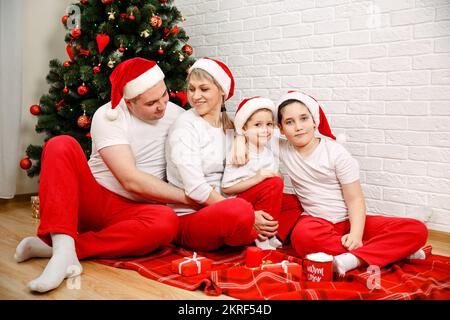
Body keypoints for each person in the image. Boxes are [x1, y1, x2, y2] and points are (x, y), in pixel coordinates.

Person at [14, 58, 194, 293]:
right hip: (96, 200)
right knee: (60, 144)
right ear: (129, 103)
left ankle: (63, 249)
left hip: (134, 212)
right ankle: (62, 252)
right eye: (151, 103)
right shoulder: (107, 116)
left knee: (166, 221)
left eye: (164, 95)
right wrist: (188, 197)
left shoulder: (177, 115)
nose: (162, 105)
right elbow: (129, 179)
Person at [276, 90, 429, 276]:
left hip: (348, 222)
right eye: (289, 122)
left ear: (314, 121)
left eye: (303, 118)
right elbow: (247, 134)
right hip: (316, 222)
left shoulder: (336, 153)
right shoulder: (283, 148)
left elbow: (355, 199)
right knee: (302, 237)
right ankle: (396, 254)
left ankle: (352, 259)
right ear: (281, 128)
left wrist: (356, 234)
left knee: (416, 229)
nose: (298, 127)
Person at [166, 58, 285, 251]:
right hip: (192, 216)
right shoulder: (185, 126)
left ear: (221, 90)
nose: (196, 96)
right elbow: (195, 189)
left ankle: (260, 236)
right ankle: (250, 230)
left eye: (204, 89)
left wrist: (239, 139)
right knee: (239, 210)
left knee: (275, 184)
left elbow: (254, 149)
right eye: (191, 89)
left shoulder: (230, 125)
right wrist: (250, 214)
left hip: (227, 204)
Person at [221, 96, 284, 250]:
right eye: (257, 125)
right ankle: (261, 237)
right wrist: (259, 177)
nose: (265, 130)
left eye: (269, 124)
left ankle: (270, 233)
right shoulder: (239, 153)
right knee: (273, 184)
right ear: (244, 129)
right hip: (238, 202)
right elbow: (227, 189)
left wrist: (276, 177)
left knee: (291, 200)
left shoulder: (267, 153)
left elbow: (274, 181)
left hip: (258, 200)